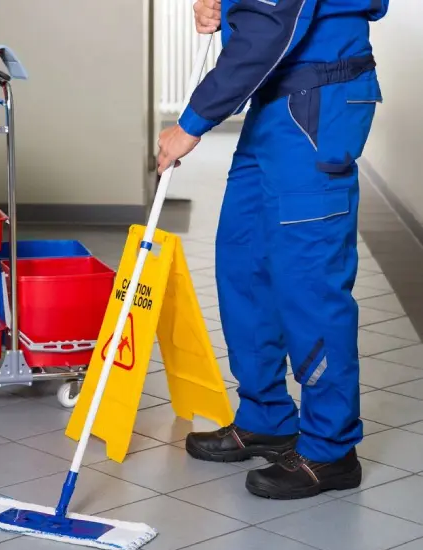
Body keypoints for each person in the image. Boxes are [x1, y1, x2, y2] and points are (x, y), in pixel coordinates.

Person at [157, 0, 388, 500]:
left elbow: (271, 27)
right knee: (244, 264)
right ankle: (266, 418)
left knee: (308, 281)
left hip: (317, 105)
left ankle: (330, 449)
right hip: (275, 102)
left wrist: (191, 123)